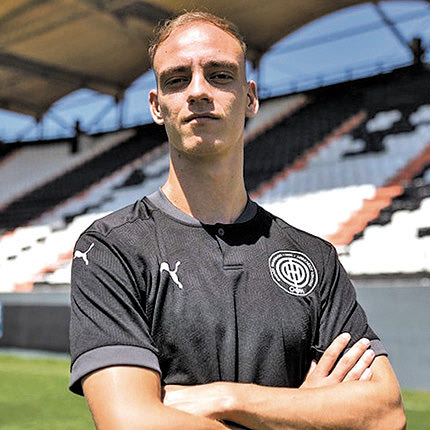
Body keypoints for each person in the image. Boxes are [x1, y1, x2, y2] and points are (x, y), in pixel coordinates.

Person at [69, 11, 406, 430]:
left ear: (250, 98)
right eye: (177, 79)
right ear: (157, 106)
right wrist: (302, 410)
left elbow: (385, 413)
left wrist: (226, 398)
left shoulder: (315, 257)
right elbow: (131, 423)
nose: (197, 91)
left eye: (220, 75)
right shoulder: (110, 248)